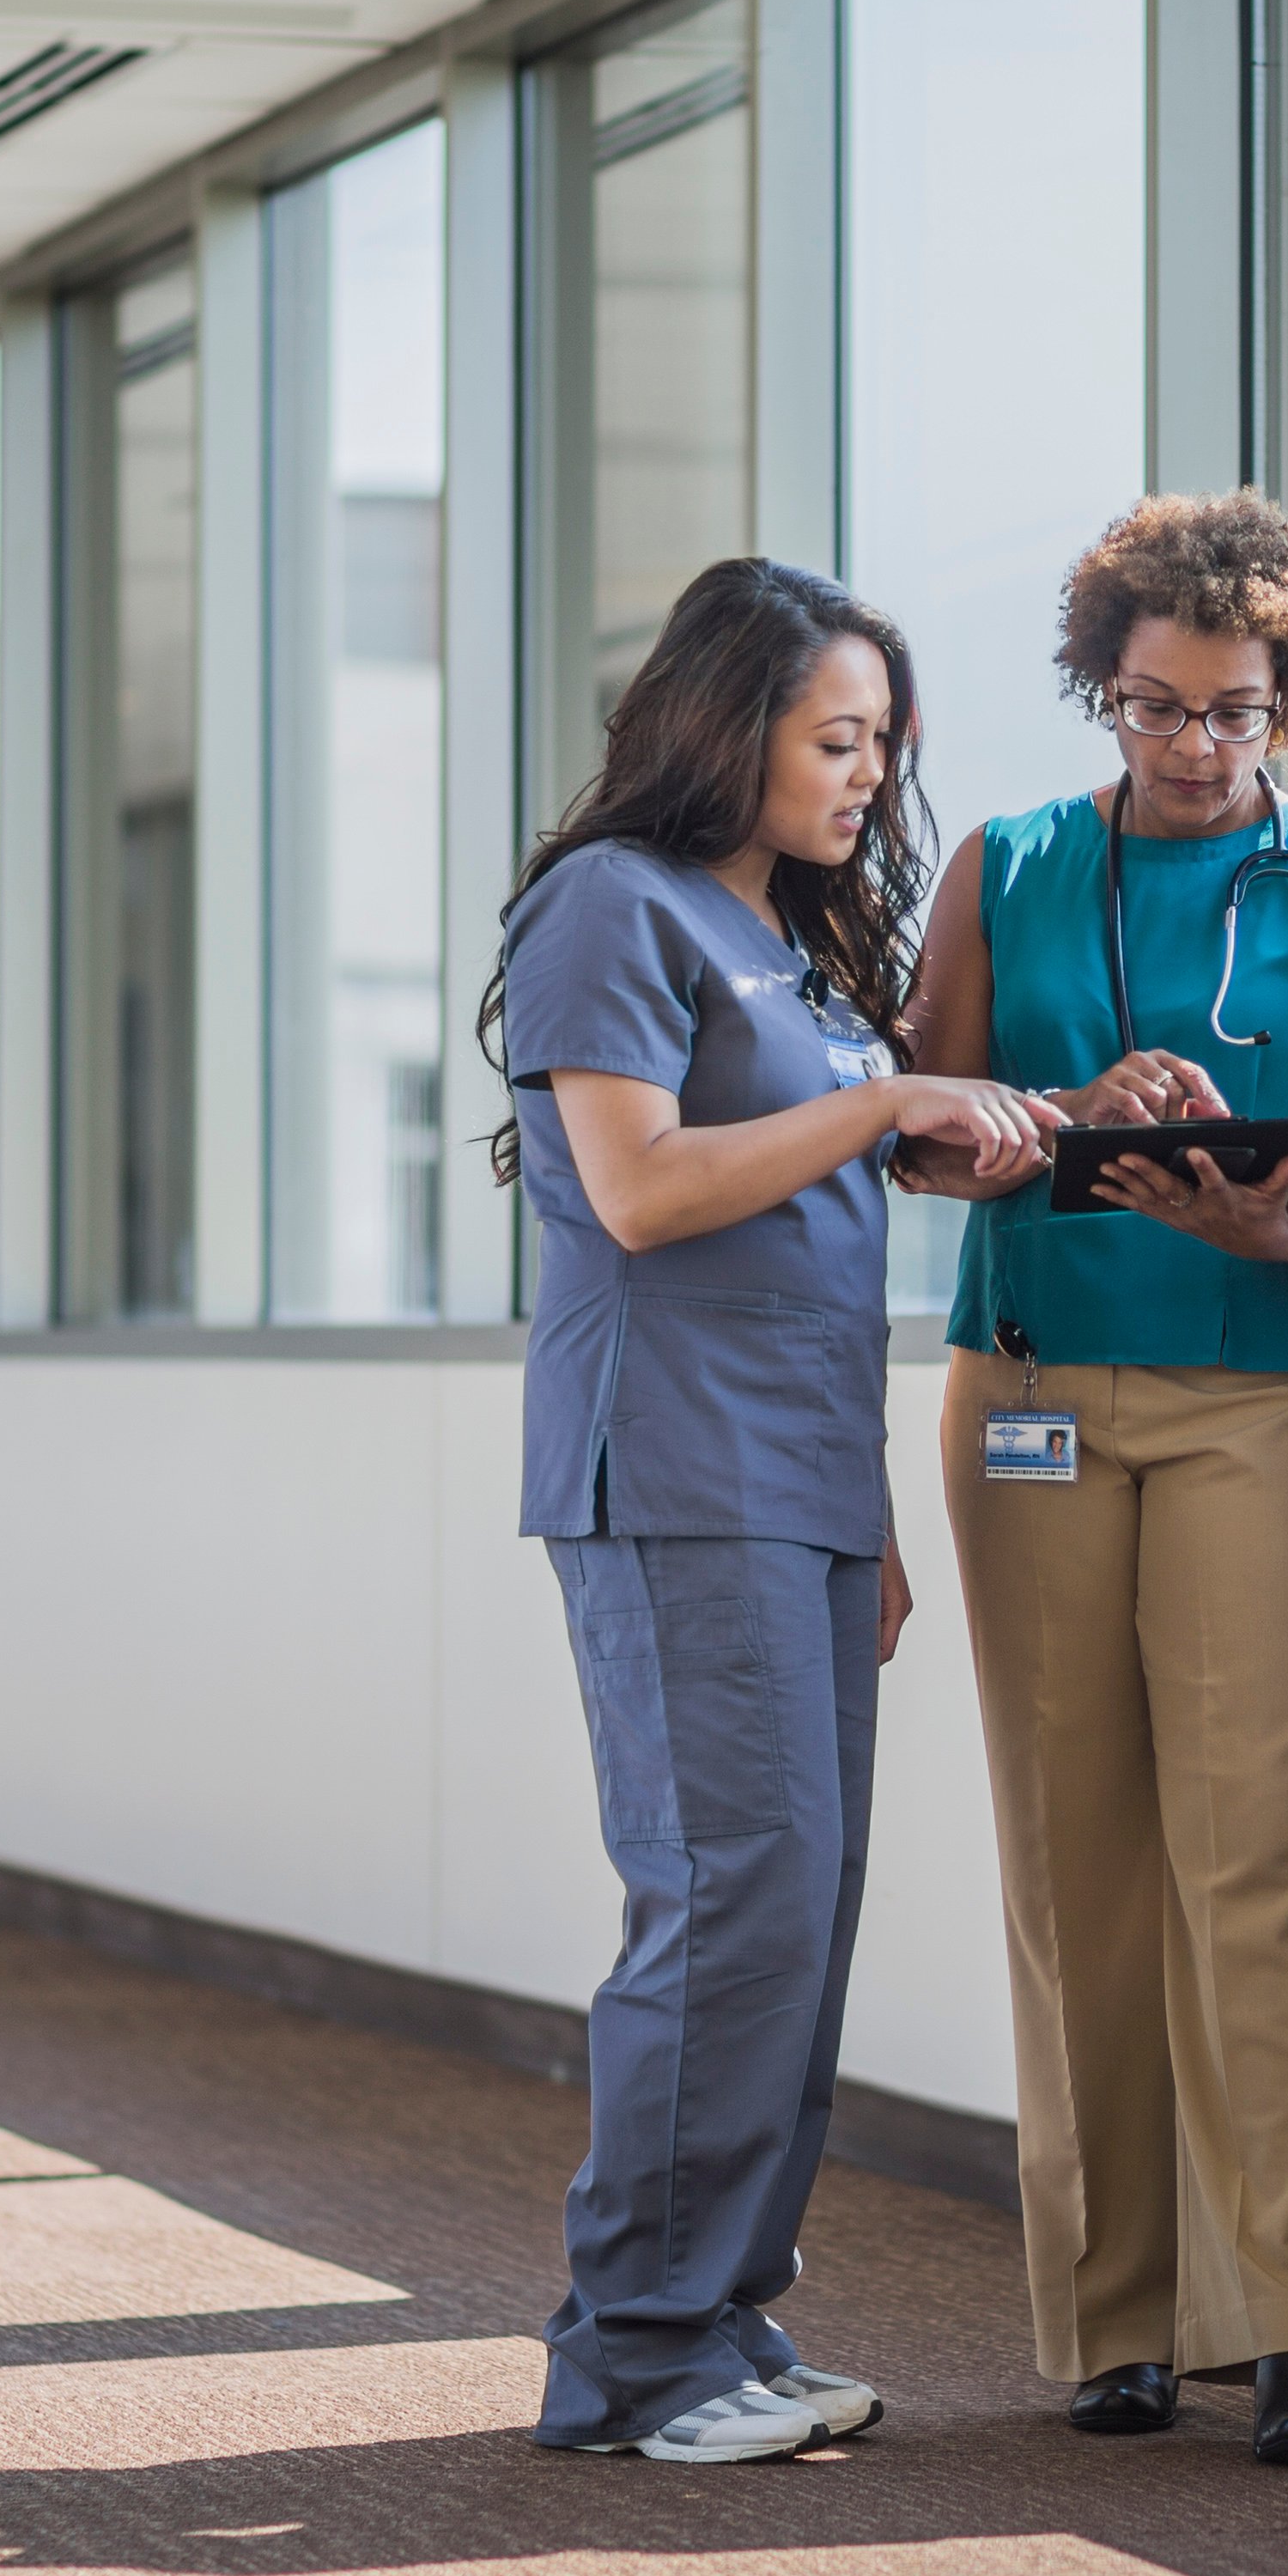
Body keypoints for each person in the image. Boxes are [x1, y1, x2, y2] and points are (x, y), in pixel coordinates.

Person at [489, 557, 1061, 2464]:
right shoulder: (610, 907)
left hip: (801, 1487)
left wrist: (870, 1507)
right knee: (724, 1898)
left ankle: (723, 2319)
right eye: (836, 737)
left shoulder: (798, 950)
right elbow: (644, 1189)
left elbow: (815, 1254)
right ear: (727, 724)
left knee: (798, 1910)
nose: (864, 774)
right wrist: (892, 1097)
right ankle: (639, 2354)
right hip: (668, 1472)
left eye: (883, 741)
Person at [902, 490, 1288, 2466]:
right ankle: (1112, 2318)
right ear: (1098, 690)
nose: (1190, 745)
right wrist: (1064, 1113)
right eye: (1149, 706)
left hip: (1254, 1390)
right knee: (1074, 1862)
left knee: (1265, 1856)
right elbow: (913, 1129)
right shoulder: (1003, 867)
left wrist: (1267, 1216)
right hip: (1030, 1387)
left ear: (1285, 695)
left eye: (1230, 710)